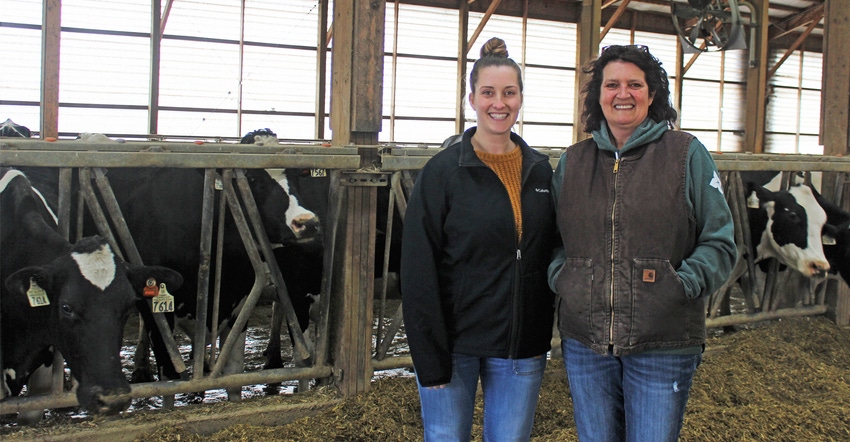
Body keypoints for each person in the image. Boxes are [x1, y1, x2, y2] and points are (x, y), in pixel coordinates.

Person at [548, 44, 737, 442]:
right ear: (597, 94)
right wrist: (564, 277)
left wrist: (680, 284)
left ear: (652, 95)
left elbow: (719, 242)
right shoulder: (572, 162)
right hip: (587, 342)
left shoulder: (686, 154)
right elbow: (553, 240)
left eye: (635, 84)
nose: (623, 93)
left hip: (663, 340)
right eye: (612, 84)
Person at [400, 37, 557, 441]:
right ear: (472, 99)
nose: (498, 103)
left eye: (509, 93)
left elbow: (553, 251)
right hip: (455, 345)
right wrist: (429, 356)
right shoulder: (442, 173)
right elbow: (418, 266)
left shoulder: (541, 172)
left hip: (521, 346)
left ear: (521, 98)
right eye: (488, 93)